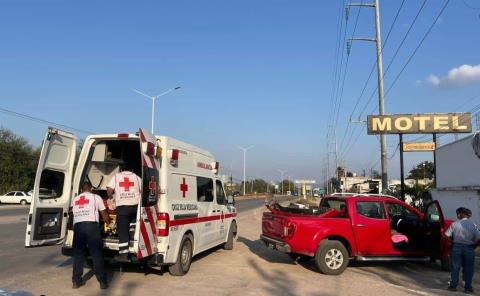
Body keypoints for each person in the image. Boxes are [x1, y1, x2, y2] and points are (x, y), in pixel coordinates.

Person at [70, 181, 110, 290]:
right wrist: (109, 223)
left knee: (78, 255)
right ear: (91, 188)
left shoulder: (76, 199)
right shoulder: (96, 197)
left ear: (82, 189)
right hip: (91, 227)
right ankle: (102, 282)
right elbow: (104, 214)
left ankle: (76, 281)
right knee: (96, 254)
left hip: (78, 228)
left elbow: (73, 214)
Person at [107, 165, 142, 261]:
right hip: (135, 207)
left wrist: (112, 197)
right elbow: (143, 190)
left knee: (122, 231)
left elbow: (109, 190)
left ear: (121, 169)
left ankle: (123, 254)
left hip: (122, 208)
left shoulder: (116, 176)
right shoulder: (137, 177)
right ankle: (132, 234)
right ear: (132, 169)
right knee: (134, 221)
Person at [445, 207, 480, 293]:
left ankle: (453, 286)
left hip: (457, 247)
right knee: (469, 269)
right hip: (469, 248)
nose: (457, 215)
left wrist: (452, 242)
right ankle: (467, 288)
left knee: (455, 268)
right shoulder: (473, 225)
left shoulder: (454, 224)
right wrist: (474, 245)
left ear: (461, 214)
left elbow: (446, 235)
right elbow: (478, 238)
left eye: (458, 214)